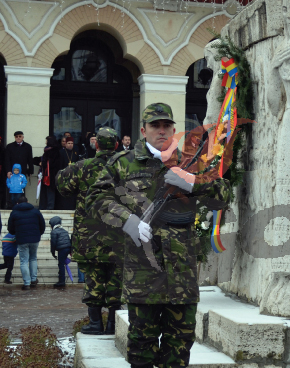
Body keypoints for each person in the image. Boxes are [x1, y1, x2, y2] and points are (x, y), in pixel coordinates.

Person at [87, 103, 232, 367]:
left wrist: (192, 182)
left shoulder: (191, 162)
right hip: (142, 275)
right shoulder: (124, 164)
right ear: (144, 130)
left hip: (181, 276)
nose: (161, 131)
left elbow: (223, 196)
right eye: (155, 126)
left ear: (174, 130)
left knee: (179, 349)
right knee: (141, 349)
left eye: (166, 126)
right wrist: (128, 221)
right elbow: (96, 198)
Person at [58, 127, 123, 334]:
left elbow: (62, 186)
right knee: (116, 279)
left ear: (95, 145)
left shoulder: (82, 167)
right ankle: (113, 322)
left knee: (93, 279)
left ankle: (95, 323)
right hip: (118, 234)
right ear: (116, 145)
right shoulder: (125, 167)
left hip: (89, 236)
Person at [6, 196, 45, 290]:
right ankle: (33, 279)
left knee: (23, 261)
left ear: (17, 203)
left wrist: (16, 233)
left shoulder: (14, 212)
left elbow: (10, 228)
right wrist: (38, 234)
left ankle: (27, 283)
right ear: (28, 201)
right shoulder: (35, 211)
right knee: (33, 258)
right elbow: (42, 224)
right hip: (34, 239)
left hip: (22, 240)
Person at [4, 131, 34, 209]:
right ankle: (10, 205)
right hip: (12, 172)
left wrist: (30, 170)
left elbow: (30, 159)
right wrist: (8, 170)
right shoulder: (9, 146)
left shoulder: (28, 146)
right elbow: (7, 160)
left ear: (23, 137)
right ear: (14, 137)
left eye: (20, 136)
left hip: (22, 171)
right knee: (11, 187)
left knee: (21, 187)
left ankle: (21, 204)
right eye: (16, 136)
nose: (18, 138)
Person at [55, 137, 81, 210]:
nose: (70, 145)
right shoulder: (61, 152)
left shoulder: (76, 152)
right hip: (64, 176)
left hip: (74, 177)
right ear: (65, 144)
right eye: (69, 143)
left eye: (72, 143)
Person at [49, 216, 71, 290]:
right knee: (62, 263)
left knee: (61, 264)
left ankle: (61, 281)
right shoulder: (64, 230)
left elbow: (53, 243)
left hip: (62, 249)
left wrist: (53, 252)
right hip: (67, 248)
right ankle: (62, 280)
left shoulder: (54, 232)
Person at [38, 136, 61, 210]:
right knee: (47, 191)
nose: (45, 142)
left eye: (46, 140)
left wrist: (43, 163)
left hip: (51, 174)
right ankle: (45, 206)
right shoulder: (50, 150)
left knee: (50, 191)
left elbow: (51, 163)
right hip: (48, 174)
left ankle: (49, 206)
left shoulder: (53, 152)